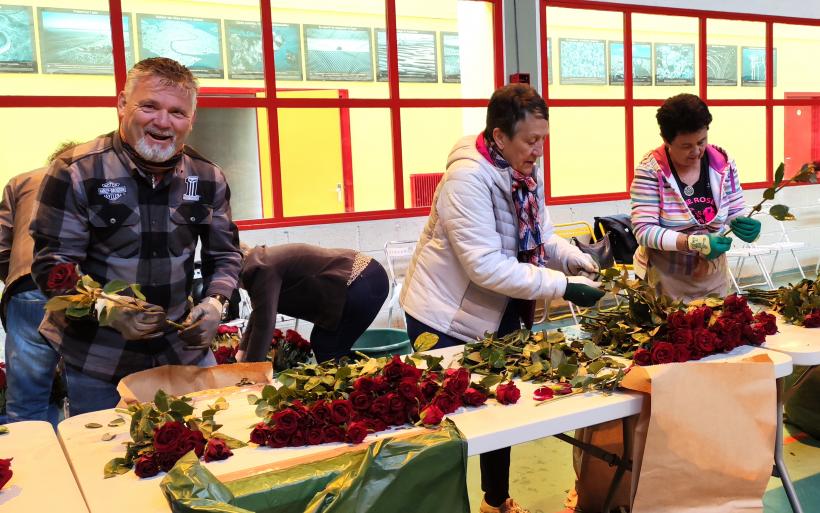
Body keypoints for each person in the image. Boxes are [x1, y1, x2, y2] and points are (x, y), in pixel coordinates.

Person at [400, 83, 605, 513]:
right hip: (445, 317)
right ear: (499, 136)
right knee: (448, 424)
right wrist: (563, 287)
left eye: (543, 139)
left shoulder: (524, 170)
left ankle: (495, 502)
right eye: (531, 141)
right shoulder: (467, 178)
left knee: (500, 407)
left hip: (504, 309)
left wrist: (576, 260)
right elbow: (485, 266)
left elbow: (542, 235)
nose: (539, 151)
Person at [30, 57, 242, 416]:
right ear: (121, 105)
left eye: (177, 112)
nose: (162, 122)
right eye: (149, 106)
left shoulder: (208, 177)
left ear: (192, 118)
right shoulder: (76, 172)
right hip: (99, 360)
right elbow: (52, 266)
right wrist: (107, 311)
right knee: (106, 462)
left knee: (208, 450)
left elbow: (226, 256)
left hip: (183, 353)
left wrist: (215, 303)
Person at [630, 93, 760, 301]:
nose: (696, 151)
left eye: (701, 141)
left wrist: (745, 224)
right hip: (665, 280)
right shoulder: (650, 171)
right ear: (666, 140)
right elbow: (644, 231)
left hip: (712, 275)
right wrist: (695, 243)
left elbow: (735, 212)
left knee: (716, 327)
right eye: (686, 146)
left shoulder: (723, 164)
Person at [0, 141, 78, 424]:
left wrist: (21, 279)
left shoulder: (20, 181)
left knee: (25, 404)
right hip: (82, 294)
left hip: (27, 288)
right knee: (85, 398)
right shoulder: (94, 181)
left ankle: (28, 465)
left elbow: (1, 247)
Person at [235, 243, 389, 364]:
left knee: (327, 345)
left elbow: (264, 323)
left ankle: (347, 396)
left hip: (363, 280)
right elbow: (259, 312)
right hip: (365, 278)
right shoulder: (258, 263)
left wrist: (251, 373)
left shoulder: (261, 269)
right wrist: (242, 352)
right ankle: (349, 392)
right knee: (325, 343)